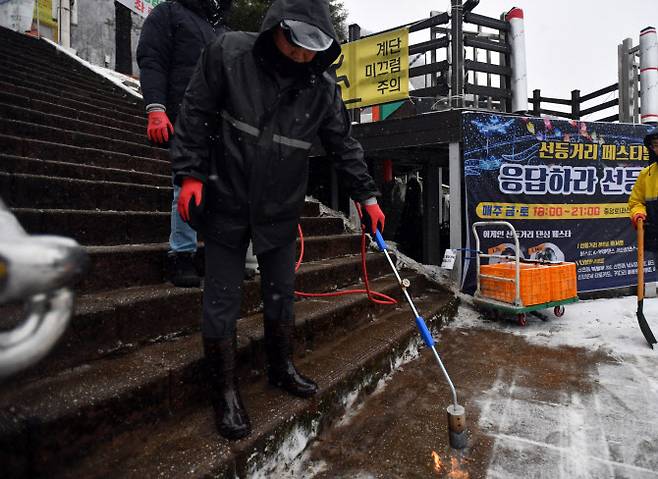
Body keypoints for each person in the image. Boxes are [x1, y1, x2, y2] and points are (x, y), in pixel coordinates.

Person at [170, 0, 386, 440]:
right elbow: (194, 113)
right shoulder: (228, 53)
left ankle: (281, 366)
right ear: (275, 30)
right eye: (295, 44)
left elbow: (343, 145)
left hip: (280, 208)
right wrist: (189, 175)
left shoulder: (323, 87)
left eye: (312, 49)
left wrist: (367, 195)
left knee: (281, 294)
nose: (301, 56)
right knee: (222, 300)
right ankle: (225, 391)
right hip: (226, 197)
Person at [136, 0, 232, 287]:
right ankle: (182, 256)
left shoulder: (220, 28)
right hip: (185, 116)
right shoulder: (168, 12)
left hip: (222, 122)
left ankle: (220, 254)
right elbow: (152, 58)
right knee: (185, 183)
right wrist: (155, 107)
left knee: (223, 190)